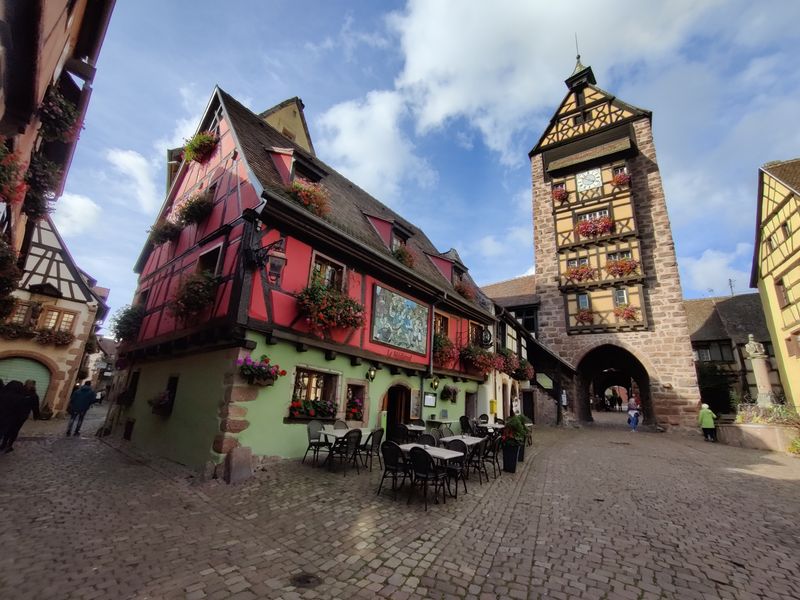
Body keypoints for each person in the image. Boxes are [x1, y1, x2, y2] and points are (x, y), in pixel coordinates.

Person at [0, 380, 40, 452]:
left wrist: (36, 414)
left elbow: (35, 406)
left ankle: (5, 444)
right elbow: (35, 406)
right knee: (13, 430)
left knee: (9, 429)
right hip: (20, 415)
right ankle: (8, 445)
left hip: (16, 415)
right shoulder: (31, 394)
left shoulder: (21, 392)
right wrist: (36, 415)